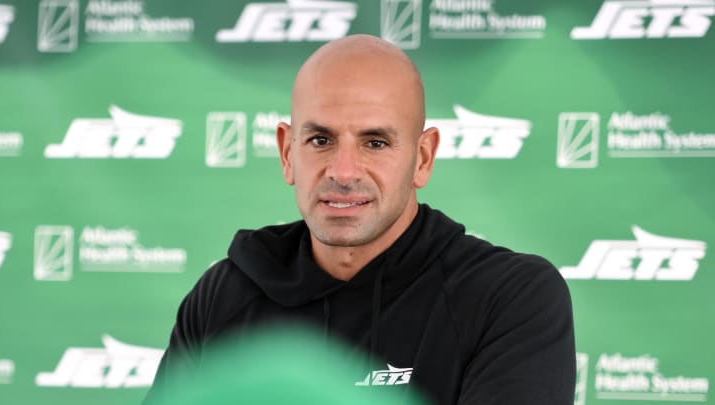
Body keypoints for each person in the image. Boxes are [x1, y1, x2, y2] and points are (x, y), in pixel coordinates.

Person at [145, 34, 576, 404]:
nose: (343, 171)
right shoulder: (222, 296)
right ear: (286, 153)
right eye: (320, 139)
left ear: (422, 158)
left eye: (375, 143)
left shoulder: (509, 297)